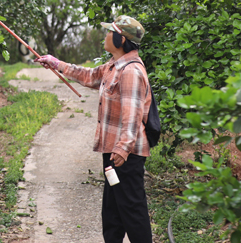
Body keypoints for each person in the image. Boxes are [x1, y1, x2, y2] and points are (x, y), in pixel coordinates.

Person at [35, 15, 153, 243]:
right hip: (113, 152)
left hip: (126, 155)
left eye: (110, 32)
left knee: (133, 212)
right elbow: (89, 75)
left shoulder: (131, 71)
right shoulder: (114, 66)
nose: (105, 35)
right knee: (112, 212)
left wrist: (122, 148)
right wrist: (56, 63)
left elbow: (133, 116)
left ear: (120, 40)